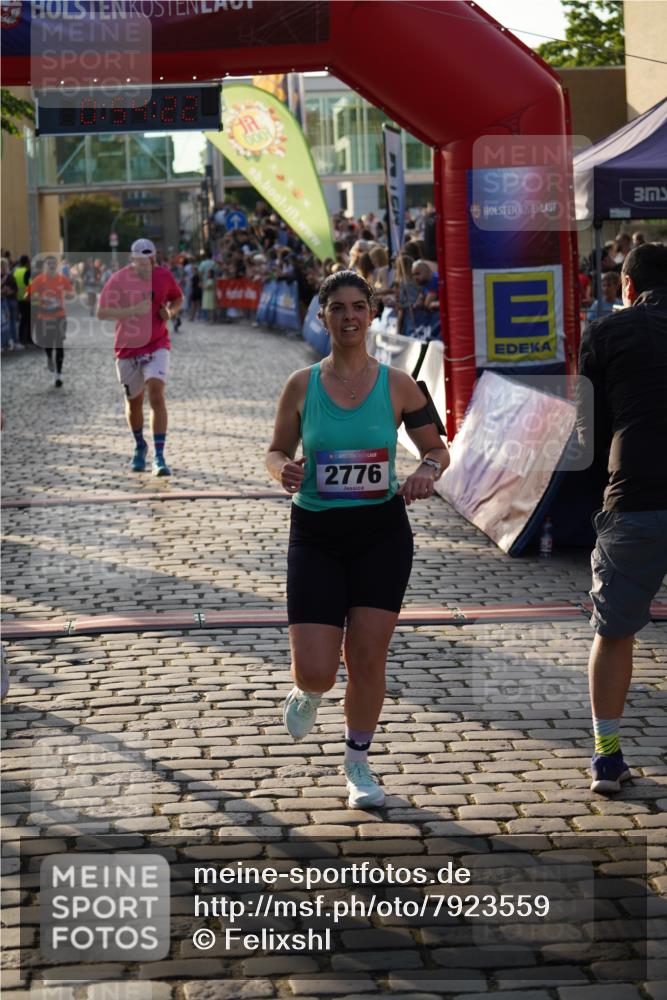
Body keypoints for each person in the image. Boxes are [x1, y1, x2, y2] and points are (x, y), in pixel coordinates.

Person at [266, 270, 449, 809]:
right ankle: (306, 691)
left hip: (381, 534)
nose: (349, 317)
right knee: (318, 670)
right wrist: (282, 471)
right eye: (338, 308)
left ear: (372, 314)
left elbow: (437, 449)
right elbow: (275, 450)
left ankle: (358, 764)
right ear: (322, 316)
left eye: (358, 307)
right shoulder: (302, 385)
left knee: (368, 658)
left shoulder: (399, 385)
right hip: (317, 534)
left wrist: (426, 473)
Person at [576, 241, 667, 795]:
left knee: (613, 633)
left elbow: (589, 429)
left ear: (626, 287)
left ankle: (607, 757)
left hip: (634, 492)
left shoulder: (606, 331)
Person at [97, 238, 183, 476]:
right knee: (134, 403)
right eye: (144, 261)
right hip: (128, 348)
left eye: (152, 260)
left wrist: (170, 312)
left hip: (157, 344)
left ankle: (159, 455)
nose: (149, 265)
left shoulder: (164, 276)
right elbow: (101, 312)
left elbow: (177, 298)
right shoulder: (118, 280)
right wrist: (131, 311)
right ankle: (139, 445)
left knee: (156, 395)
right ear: (133, 260)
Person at [25, 255, 75, 387]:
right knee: (47, 343)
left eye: (54, 263)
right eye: (49, 264)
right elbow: (30, 296)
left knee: (59, 343)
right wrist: (39, 299)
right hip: (44, 316)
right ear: (45, 266)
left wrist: (68, 295)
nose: (51, 266)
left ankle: (58, 374)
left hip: (59, 315)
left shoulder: (62, 279)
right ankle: (49, 357)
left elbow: (71, 294)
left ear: (57, 265)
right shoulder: (38, 280)